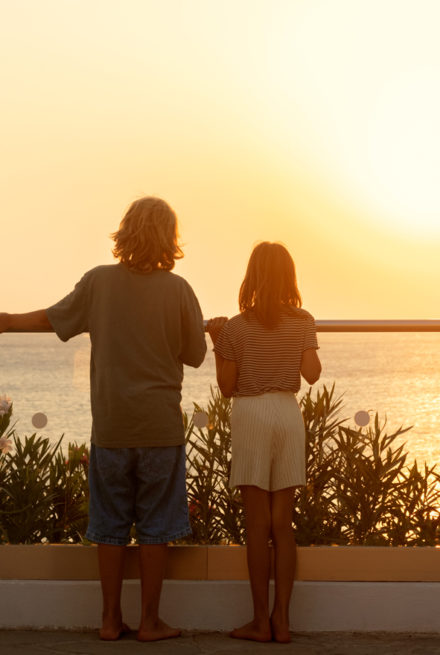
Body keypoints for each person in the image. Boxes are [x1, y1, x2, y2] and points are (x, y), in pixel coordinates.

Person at [0, 196, 207, 642]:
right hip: (160, 430)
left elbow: (54, 319)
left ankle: (110, 621)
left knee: (110, 528)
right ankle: (151, 622)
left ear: (125, 231)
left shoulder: (98, 283)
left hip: (111, 429)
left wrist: (6, 320)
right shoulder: (180, 290)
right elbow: (195, 354)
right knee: (155, 530)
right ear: (169, 238)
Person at [207, 241, 321, 644]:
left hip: (252, 414)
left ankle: (259, 621)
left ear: (252, 276)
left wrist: (217, 344)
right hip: (288, 415)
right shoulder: (304, 320)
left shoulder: (236, 327)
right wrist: (299, 344)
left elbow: (226, 387)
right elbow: (311, 374)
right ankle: (283, 622)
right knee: (282, 524)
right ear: (290, 276)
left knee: (257, 524)